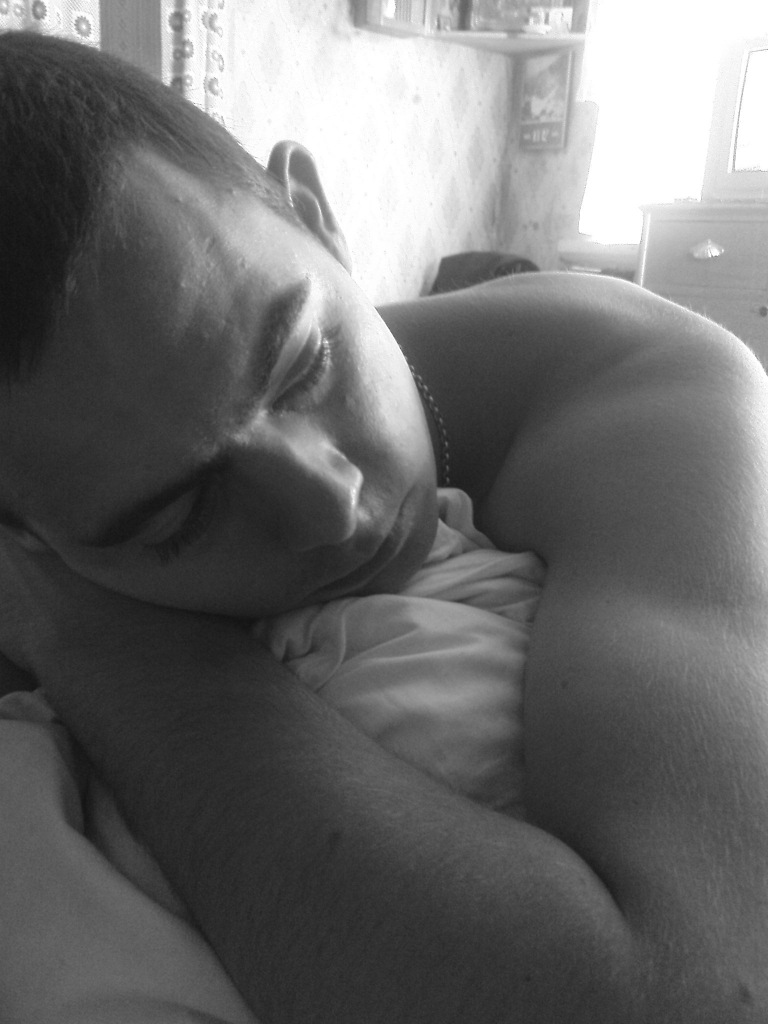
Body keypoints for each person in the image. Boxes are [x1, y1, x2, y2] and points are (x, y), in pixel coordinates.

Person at [0, 29, 768, 1024]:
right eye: (179, 513)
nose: (329, 503)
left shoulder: (642, 385)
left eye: (305, 365)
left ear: (314, 213)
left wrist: (90, 640)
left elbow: (686, 997)